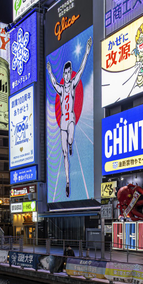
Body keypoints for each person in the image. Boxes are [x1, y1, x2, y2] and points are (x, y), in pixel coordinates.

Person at [46, 36, 92, 198]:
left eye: (67, 72)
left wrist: (86, 53)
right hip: (62, 123)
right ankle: (67, 182)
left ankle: (71, 143)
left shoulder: (72, 84)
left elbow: (80, 70)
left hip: (71, 118)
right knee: (65, 153)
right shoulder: (60, 87)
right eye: (65, 73)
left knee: (70, 140)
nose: (66, 75)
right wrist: (51, 71)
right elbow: (52, 83)